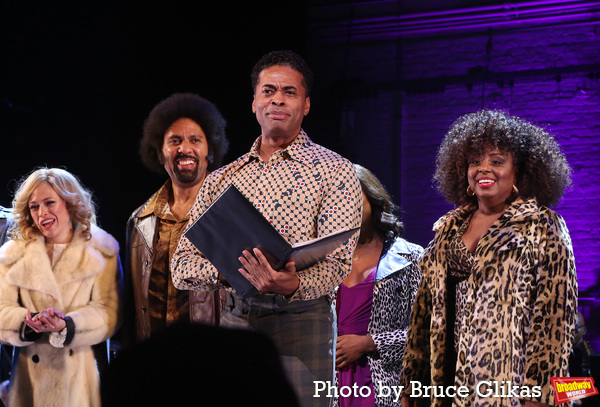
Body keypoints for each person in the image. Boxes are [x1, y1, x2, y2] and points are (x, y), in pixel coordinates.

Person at [170, 50, 362, 407]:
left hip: (304, 320)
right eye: (268, 90)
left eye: (289, 92)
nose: (277, 98)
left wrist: (294, 284)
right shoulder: (222, 180)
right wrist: (235, 271)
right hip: (237, 320)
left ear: (305, 105)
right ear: (254, 103)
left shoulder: (336, 171)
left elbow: (338, 262)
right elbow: (181, 265)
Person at [399, 109, 577, 407]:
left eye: (496, 161)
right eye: (474, 161)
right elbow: (422, 317)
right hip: (446, 385)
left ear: (518, 171)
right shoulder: (447, 229)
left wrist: (541, 394)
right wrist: (411, 385)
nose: (484, 169)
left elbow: (554, 323)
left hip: (509, 387)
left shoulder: (543, 226)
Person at [0, 167, 121, 407]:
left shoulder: (102, 249)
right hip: (29, 387)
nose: (42, 212)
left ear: (69, 203)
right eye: (34, 207)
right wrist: (28, 322)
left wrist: (67, 326)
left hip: (82, 385)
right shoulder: (11, 255)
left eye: (49, 202)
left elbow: (110, 313)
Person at [122, 93, 229, 348]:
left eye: (195, 140)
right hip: (154, 364)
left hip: (215, 361)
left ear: (210, 151)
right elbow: (131, 308)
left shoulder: (229, 215)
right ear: (160, 153)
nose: (184, 149)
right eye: (175, 141)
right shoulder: (139, 221)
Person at [334, 164, 422, 407]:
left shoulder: (411, 257)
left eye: (353, 197)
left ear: (373, 199)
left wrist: (367, 343)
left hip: (386, 384)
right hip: (330, 385)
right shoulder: (322, 261)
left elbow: (427, 332)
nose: (345, 207)